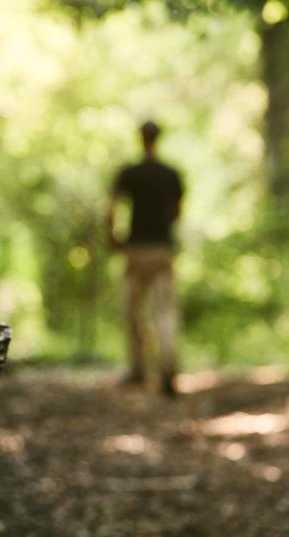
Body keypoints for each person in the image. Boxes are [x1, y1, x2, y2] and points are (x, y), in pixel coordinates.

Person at [106, 120, 184, 397]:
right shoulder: (171, 174)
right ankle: (167, 370)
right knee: (164, 311)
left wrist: (112, 236)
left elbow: (112, 205)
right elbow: (177, 211)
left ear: (141, 139)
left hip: (136, 249)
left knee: (133, 311)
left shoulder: (129, 173)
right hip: (162, 249)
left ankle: (139, 369)